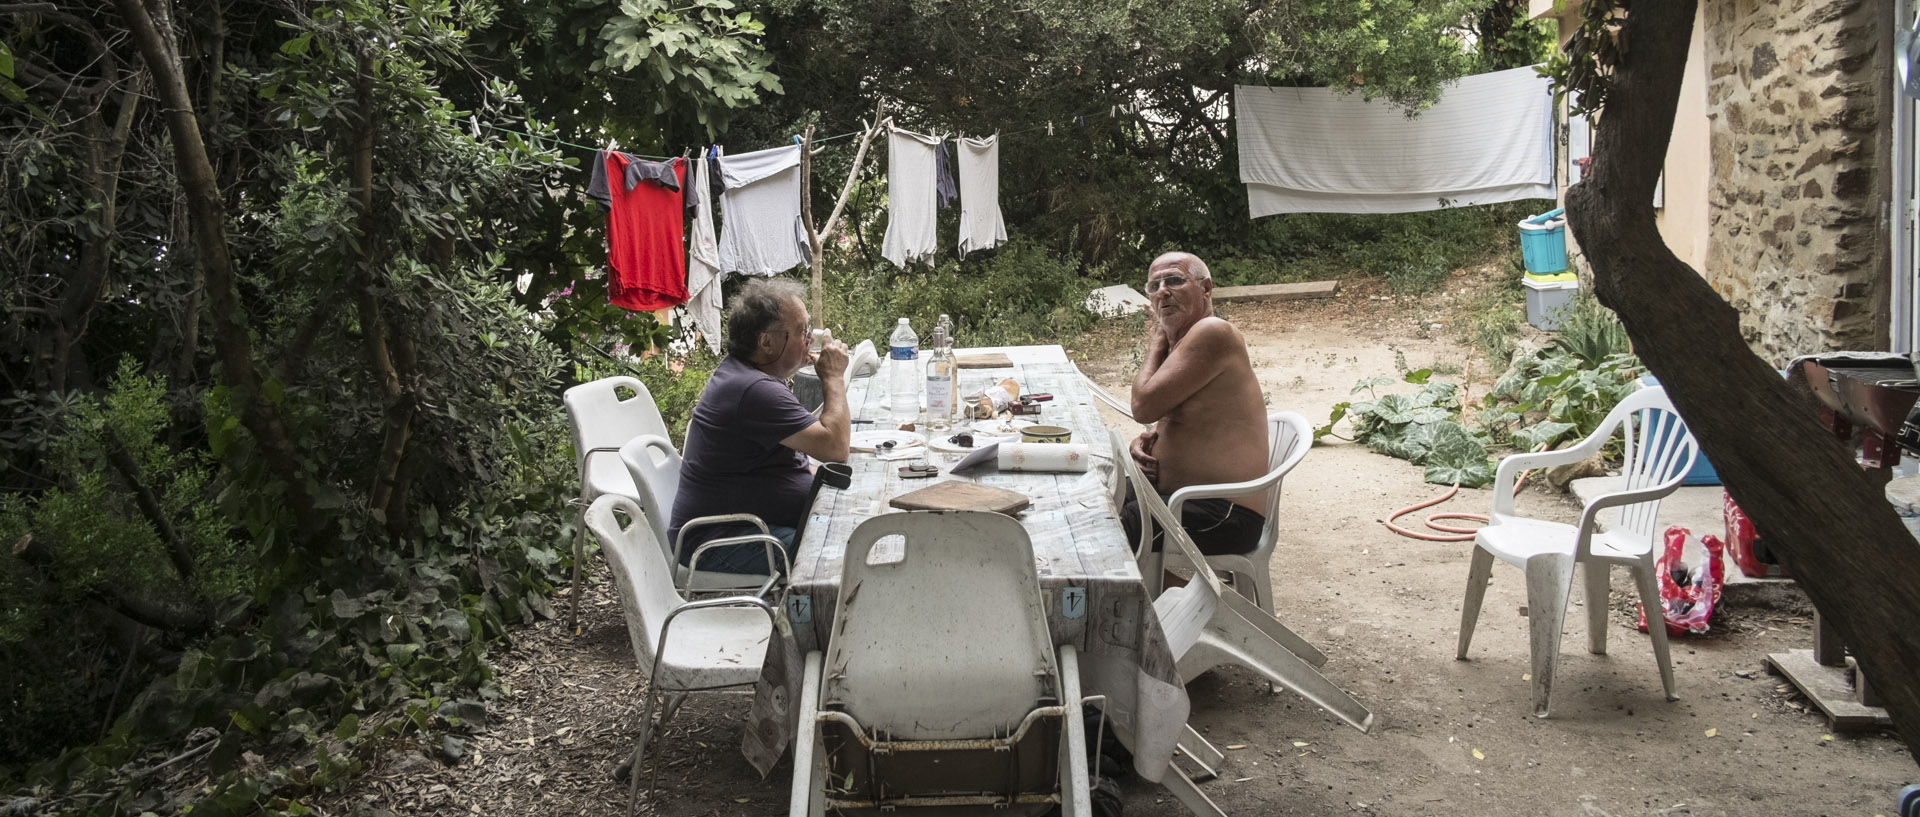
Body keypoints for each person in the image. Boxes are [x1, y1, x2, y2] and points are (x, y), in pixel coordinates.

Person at [668, 278, 850, 574]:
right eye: (802, 330)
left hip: (744, 527)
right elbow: (835, 447)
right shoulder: (753, 390)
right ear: (767, 342)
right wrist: (833, 377)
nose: (810, 339)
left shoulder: (749, 377)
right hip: (720, 542)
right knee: (838, 555)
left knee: (847, 524)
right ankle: (812, 618)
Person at [1123, 252, 1271, 556]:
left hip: (1227, 516)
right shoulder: (1185, 341)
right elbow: (1177, 416)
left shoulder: (1212, 332)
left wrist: (1155, 345)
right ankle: (1164, 593)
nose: (1162, 290)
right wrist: (1148, 443)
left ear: (1206, 289)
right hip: (1183, 500)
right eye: (1154, 286)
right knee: (1100, 495)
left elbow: (1142, 406)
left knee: (1121, 525)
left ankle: (1142, 599)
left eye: (1175, 280)